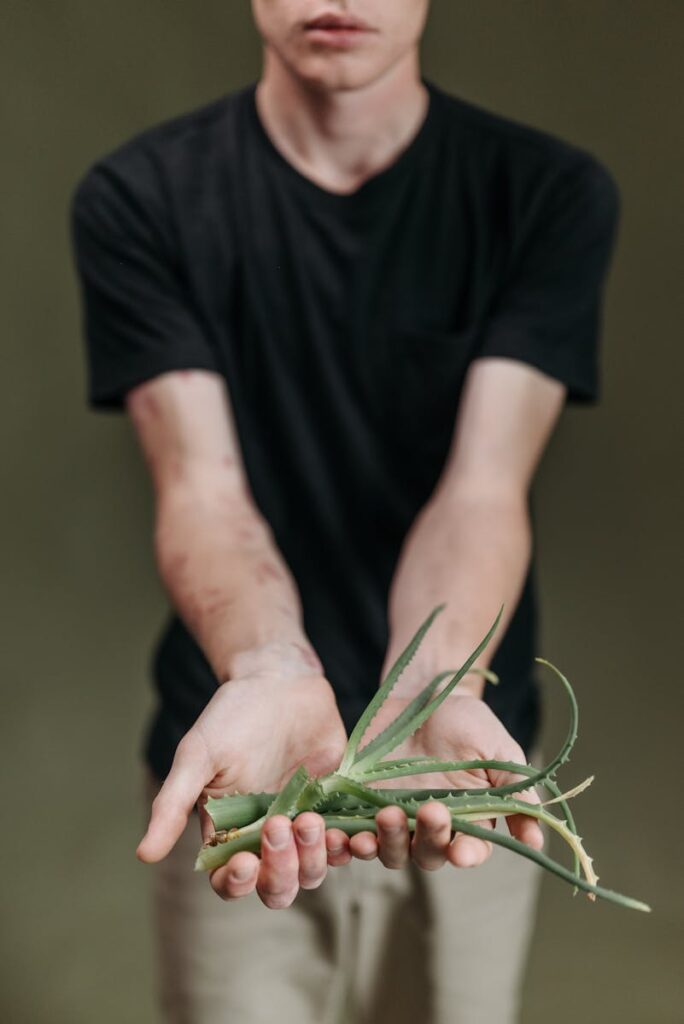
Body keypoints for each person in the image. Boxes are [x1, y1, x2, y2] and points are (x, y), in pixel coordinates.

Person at [70, 1, 621, 1021]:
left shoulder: (547, 193)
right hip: (246, 762)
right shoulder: (142, 196)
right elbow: (202, 491)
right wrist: (271, 666)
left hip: (462, 766)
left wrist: (428, 688)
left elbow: (482, 487)